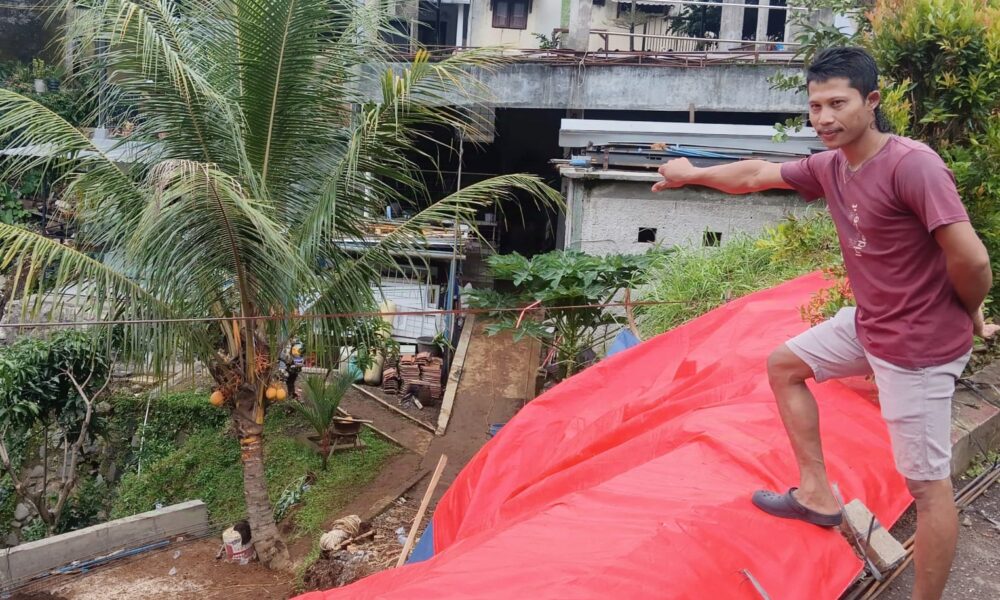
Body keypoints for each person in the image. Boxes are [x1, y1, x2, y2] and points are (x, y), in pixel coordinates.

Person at [652, 46, 995, 600]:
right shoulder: (832, 165)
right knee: (784, 365)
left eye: (838, 103)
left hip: (917, 348)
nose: (825, 118)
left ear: (872, 101)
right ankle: (817, 495)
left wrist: (968, 312)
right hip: (872, 324)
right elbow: (757, 174)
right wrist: (692, 173)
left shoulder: (912, 165)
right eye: (815, 107)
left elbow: (971, 259)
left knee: (928, 489)